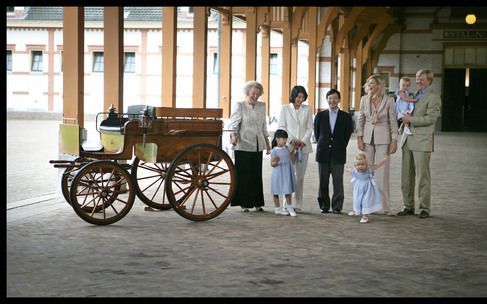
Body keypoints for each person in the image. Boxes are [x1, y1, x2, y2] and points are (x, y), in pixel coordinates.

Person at [398, 69, 441, 219]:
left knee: (423, 176)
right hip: (407, 140)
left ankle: (424, 208)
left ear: (429, 80)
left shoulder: (433, 97)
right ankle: (408, 206)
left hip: (422, 142)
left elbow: (431, 119)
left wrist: (411, 120)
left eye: (421, 79)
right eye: (417, 79)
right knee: (406, 177)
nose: (418, 81)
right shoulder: (413, 95)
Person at [356, 74, 398, 215]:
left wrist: (394, 140)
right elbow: (360, 120)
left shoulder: (389, 100)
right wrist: (359, 138)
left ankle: (385, 207)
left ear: (379, 85)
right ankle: (367, 205)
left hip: (384, 139)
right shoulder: (363, 99)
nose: (369, 86)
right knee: (367, 172)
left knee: (382, 174)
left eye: (372, 83)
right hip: (367, 138)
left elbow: (393, 121)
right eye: (368, 83)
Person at [228, 80, 271, 212]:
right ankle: (244, 203)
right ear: (247, 92)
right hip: (243, 144)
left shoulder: (261, 106)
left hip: (257, 144)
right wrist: (233, 136)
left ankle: (258, 203)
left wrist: (267, 142)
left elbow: (263, 125)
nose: (255, 96)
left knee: (256, 174)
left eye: (258, 94)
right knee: (244, 175)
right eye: (253, 93)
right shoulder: (239, 105)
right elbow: (233, 124)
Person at [314, 89, 353, 214]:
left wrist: (339, 146)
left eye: (335, 98)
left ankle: (337, 206)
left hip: (338, 153)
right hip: (323, 153)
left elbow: (347, 135)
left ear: (339, 100)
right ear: (327, 100)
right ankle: (324, 205)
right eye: (330, 98)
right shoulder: (320, 116)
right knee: (323, 181)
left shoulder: (346, 117)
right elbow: (317, 133)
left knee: (338, 181)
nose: (332, 100)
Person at [277, 85, 313, 212]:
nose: (300, 99)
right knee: (287, 175)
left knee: (300, 177)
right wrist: (292, 140)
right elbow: (282, 126)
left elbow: (310, 127)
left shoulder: (308, 109)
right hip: (289, 146)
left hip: (304, 147)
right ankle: (286, 203)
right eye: (298, 96)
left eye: (303, 97)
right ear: (293, 96)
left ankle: (298, 204)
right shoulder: (285, 108)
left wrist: (302, 141)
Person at [347, 153, 390, 224]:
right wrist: (345, 166)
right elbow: (348, 169)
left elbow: (377, 165)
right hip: (358, 188)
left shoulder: (369, 169)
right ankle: (356, 211)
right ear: (355, 165)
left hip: (368, 188)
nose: (360, 166)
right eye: (358, 165)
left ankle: (365, 216)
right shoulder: (354, 170)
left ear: (366, 164)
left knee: (365, 201)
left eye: (362, 164)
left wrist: (384, 160)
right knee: (357, 200)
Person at [270, 129, 297, 217]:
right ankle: (277, 208)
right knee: (276, 191)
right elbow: (272, 164)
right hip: (278, 173)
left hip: (286, 172)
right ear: (277, 139)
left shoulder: (286, 148)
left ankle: (289, 207)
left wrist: (294, 148)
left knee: (288, 190)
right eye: (283, 139)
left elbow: (290, 155)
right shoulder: (274, 150)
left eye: (286, 139)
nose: (285, 141)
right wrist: (276, 161)